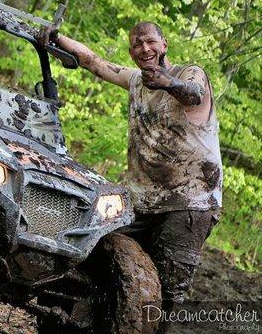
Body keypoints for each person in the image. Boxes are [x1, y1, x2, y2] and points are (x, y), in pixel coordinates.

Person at [38, 21, 222, 332]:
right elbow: (95, 63)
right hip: (140, 200)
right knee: (99, 260)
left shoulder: (189, 73)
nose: (145, 49)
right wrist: (56, 38)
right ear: (132, 53)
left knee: (165, 290)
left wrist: (167, 83)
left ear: (163, 45)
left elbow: (194, 94)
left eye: (151, 42)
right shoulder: (136, 81)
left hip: (190, 201)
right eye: (137, 45)